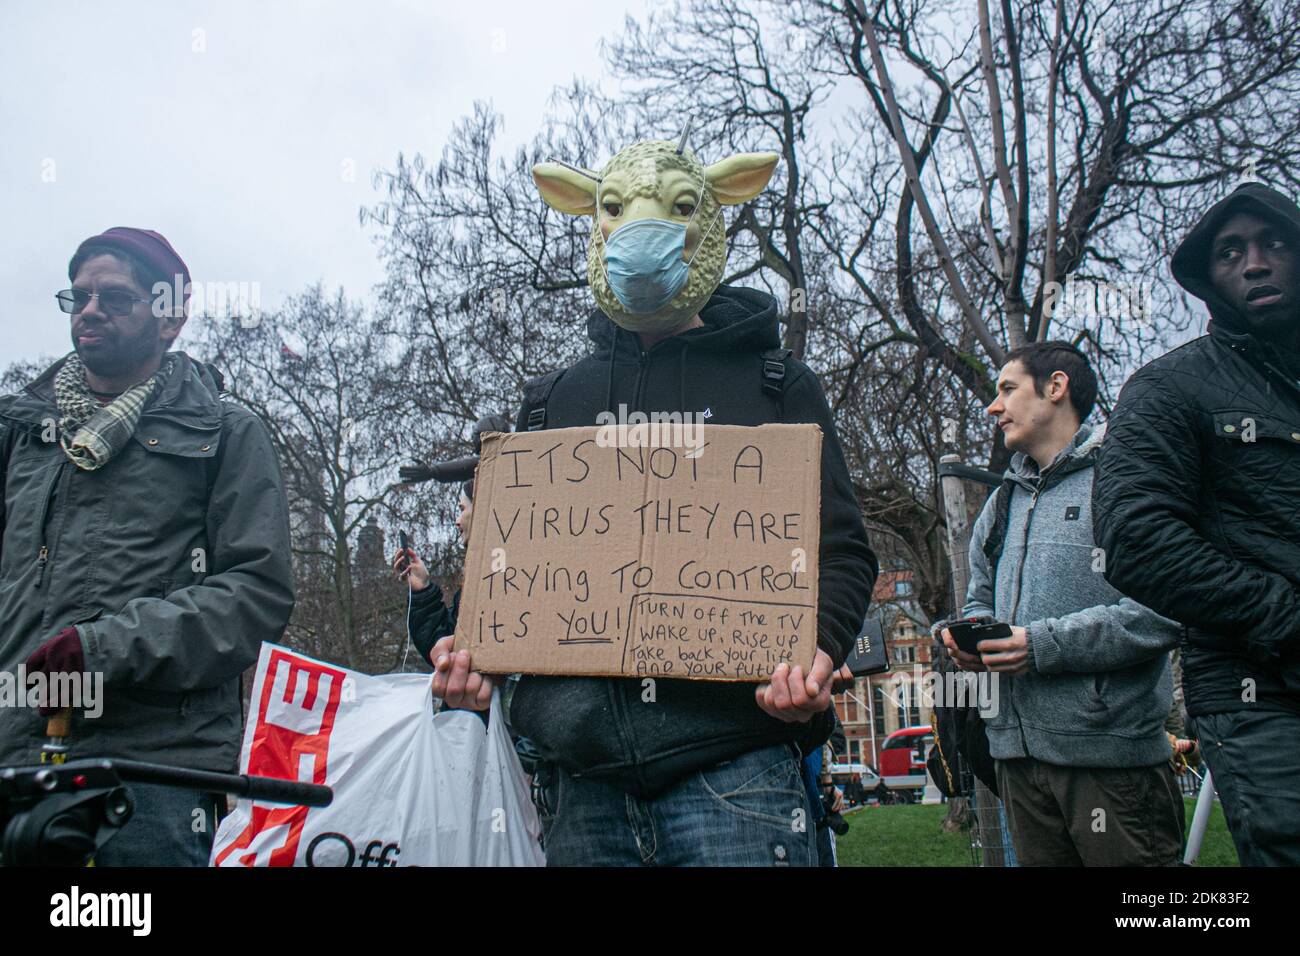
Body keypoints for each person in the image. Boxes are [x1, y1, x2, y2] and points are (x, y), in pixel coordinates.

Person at [426, 137, 878, 866]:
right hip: (581, 794)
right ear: (595, 224)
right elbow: (517, 569)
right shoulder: (550, 406)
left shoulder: (777, 385)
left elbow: (845, 550)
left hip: (738, 774)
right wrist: (475, 650)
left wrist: (817, 653)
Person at [0, 227, 295, 865]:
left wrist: (102, 650)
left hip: (151, 777)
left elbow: (257, 593)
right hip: (13, 762)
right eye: (76, 298)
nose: (90, 311)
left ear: (170, 318)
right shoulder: (19, 435)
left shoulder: (228, 435)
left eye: (114, 297)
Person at [1094, 182, 1300, 866]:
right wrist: (1283, 615)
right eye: (1231, 252)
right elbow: (1135, 538)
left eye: (1274, 243)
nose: (1256, 263)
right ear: (1208, 278)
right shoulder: (1168, 389)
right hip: (1261, 692)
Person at [941, 341, 1185, 866]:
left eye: (1007, 389)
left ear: (1056, 387)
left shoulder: (1124, 485)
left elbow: (1164, 610)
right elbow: (980, 598)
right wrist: (972, 639)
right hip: (1016, 763)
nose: (993, 406)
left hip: (1111, 766)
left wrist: (1041, 646)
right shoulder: (1001, 503)